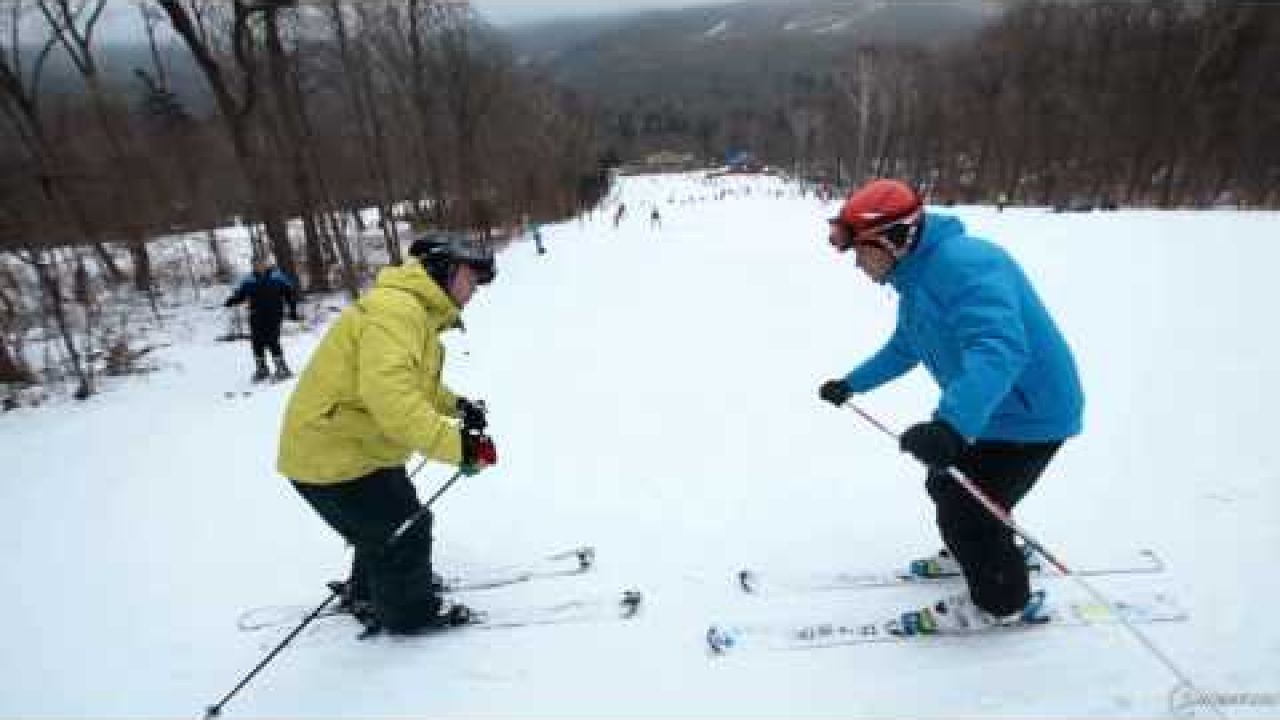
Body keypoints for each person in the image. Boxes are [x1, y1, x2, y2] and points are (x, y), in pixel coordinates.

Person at [817, 178, 1084, 633]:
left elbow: (999, 348)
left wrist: (952, 426)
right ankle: (986, 551)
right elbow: (907, 345)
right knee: (949, 485)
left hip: (1032, 413)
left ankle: (1003, 601)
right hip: (995, 410)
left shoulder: (965, 265)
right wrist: (852, 383)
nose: (858, 265)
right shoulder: (917, 279)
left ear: (895, 241)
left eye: (862, 252)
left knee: (967, 508)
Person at [277, 232, 499, 634]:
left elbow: (414, 385)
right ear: (443, 270)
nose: (475, 290)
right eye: (470, 277)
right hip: (331, 455)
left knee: (388, 521)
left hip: (353, 447)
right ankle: (407, 613)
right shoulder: (398, 314)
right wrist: (463, 448)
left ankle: (372, 591)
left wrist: (456, 405)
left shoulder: (413, 314)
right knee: (405, 527)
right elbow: (393, 402)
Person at [224, 256, 299, 382]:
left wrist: (292, 310)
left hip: (274, 313)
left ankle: (282, 368)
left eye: (261, 263)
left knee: (272, 339)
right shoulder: (248, 279)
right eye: (256, 264)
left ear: (266, 264)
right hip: (255, 314)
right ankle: (262, 369)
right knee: (256, 341)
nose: (259, 266)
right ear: (253, 265)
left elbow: (289, 293)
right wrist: (231, 301)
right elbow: (241, 295)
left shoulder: (277, 277)